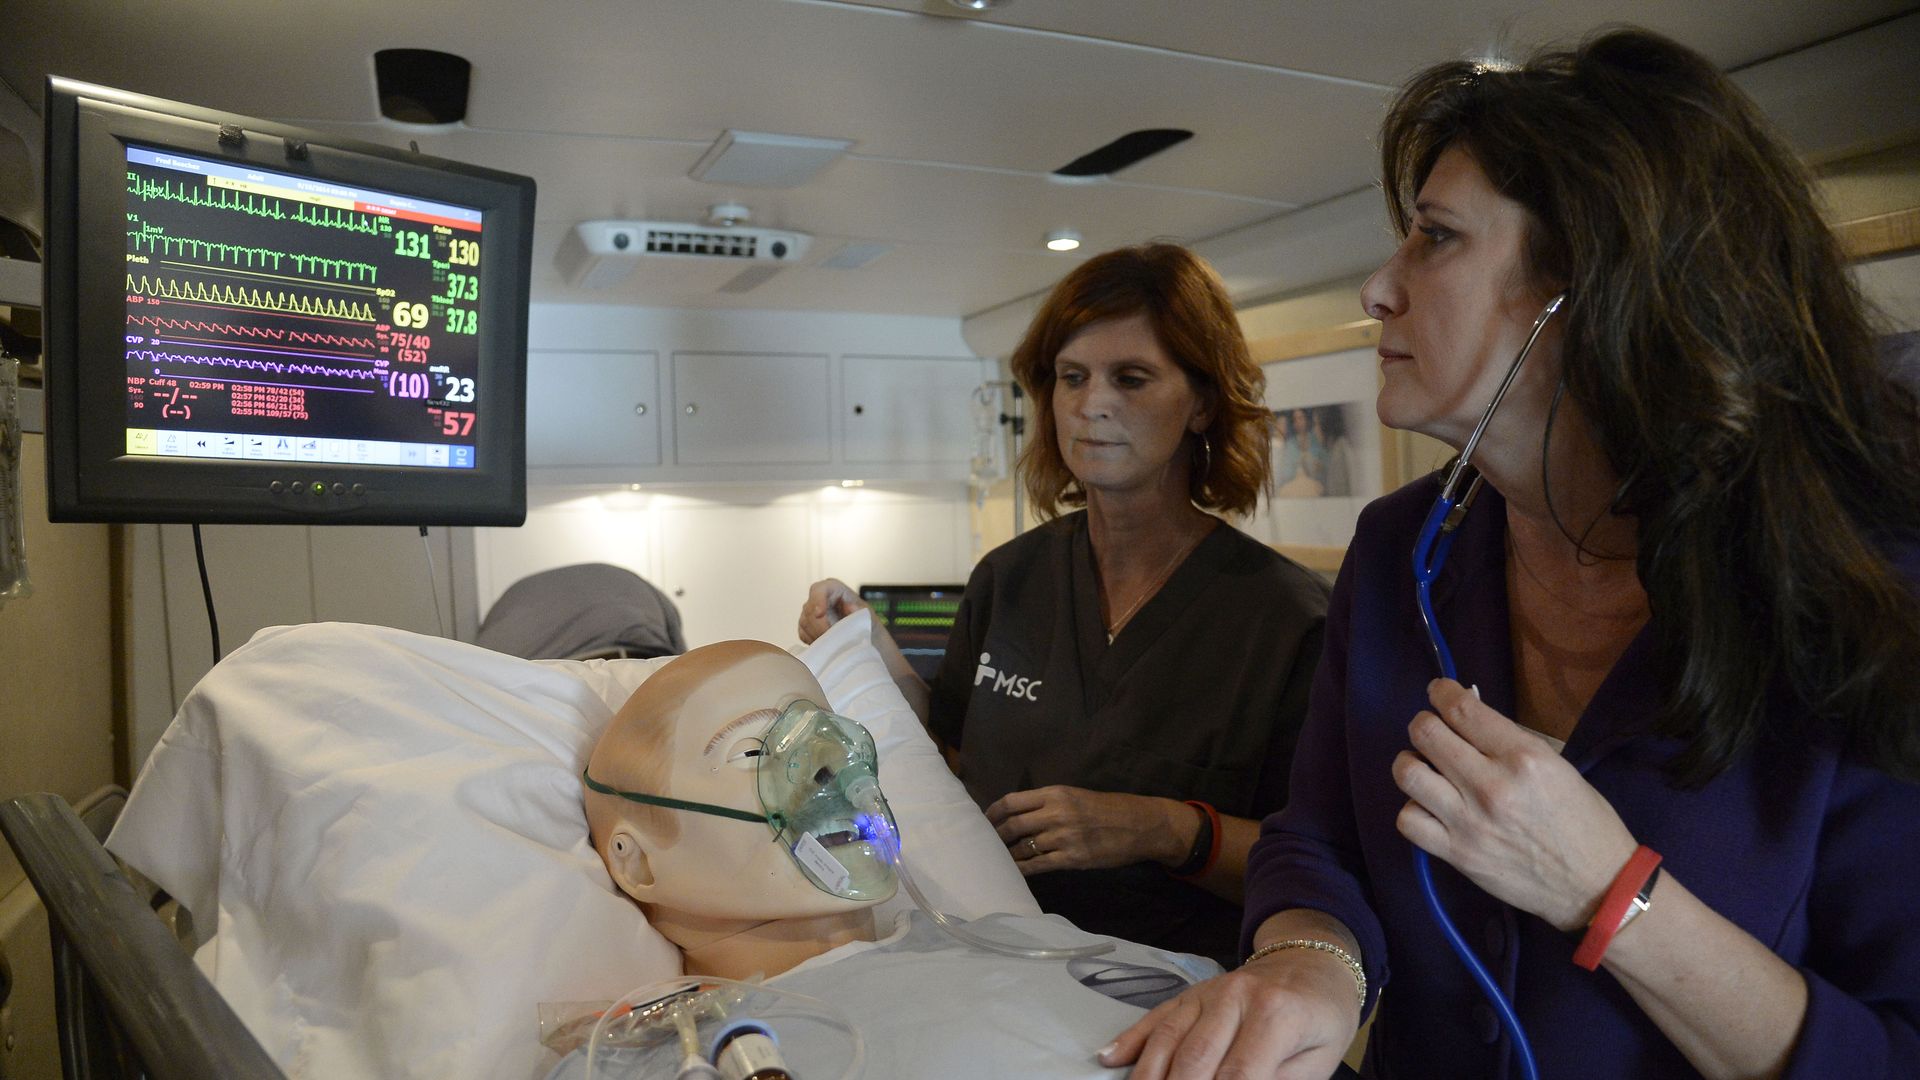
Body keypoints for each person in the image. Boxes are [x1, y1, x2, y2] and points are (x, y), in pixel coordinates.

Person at [1105, 27, 1920, 1080]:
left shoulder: (1869, 587)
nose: (1377, 289)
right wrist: (1310, 962)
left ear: (1591, 282)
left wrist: (1608, 890)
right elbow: (1321, 838)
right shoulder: (1404, 549)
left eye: (1435, 238)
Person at [799, 243, 1330, 969]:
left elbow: (1323, 866)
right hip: (993, 963)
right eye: (1071, 377)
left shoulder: (1285, 620)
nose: (1092, 404)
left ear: (1202, 403)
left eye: (1132, 378)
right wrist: (868, 651)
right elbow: (953, 757)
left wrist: (1162, 829)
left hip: (1172, 994)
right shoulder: (1009, 578)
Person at [574, 638, 1224, 1079]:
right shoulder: (655, 1054)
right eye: (751, 751)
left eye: (826, 729)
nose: (828, 762)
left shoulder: (1028, 942)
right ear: (637, 864)